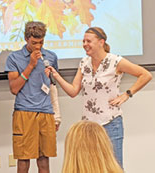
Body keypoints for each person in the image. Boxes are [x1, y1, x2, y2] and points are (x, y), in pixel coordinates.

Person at [46, 27, 152, 167]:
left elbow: (146, 75)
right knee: (90, 167)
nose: (85, 44)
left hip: (110, 123)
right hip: (88, 126)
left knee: (114, 166)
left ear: (101, 42)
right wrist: (56, 75)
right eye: (83, 41)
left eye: (88, 41)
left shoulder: (115, 61)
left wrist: (127, 94)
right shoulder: (84, 63)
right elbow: (73, 91)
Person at [5, 21, 60, 173]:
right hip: (24, 112)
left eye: (41, 42)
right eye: (34, 42)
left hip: (46, 112)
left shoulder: (51, 57)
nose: (38, 46)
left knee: (44, 160)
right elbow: (14, 88)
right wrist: (30, 65)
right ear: (26, 39)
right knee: (23, 160)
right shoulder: (14, 58)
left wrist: (57, 115)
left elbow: (53, 86)